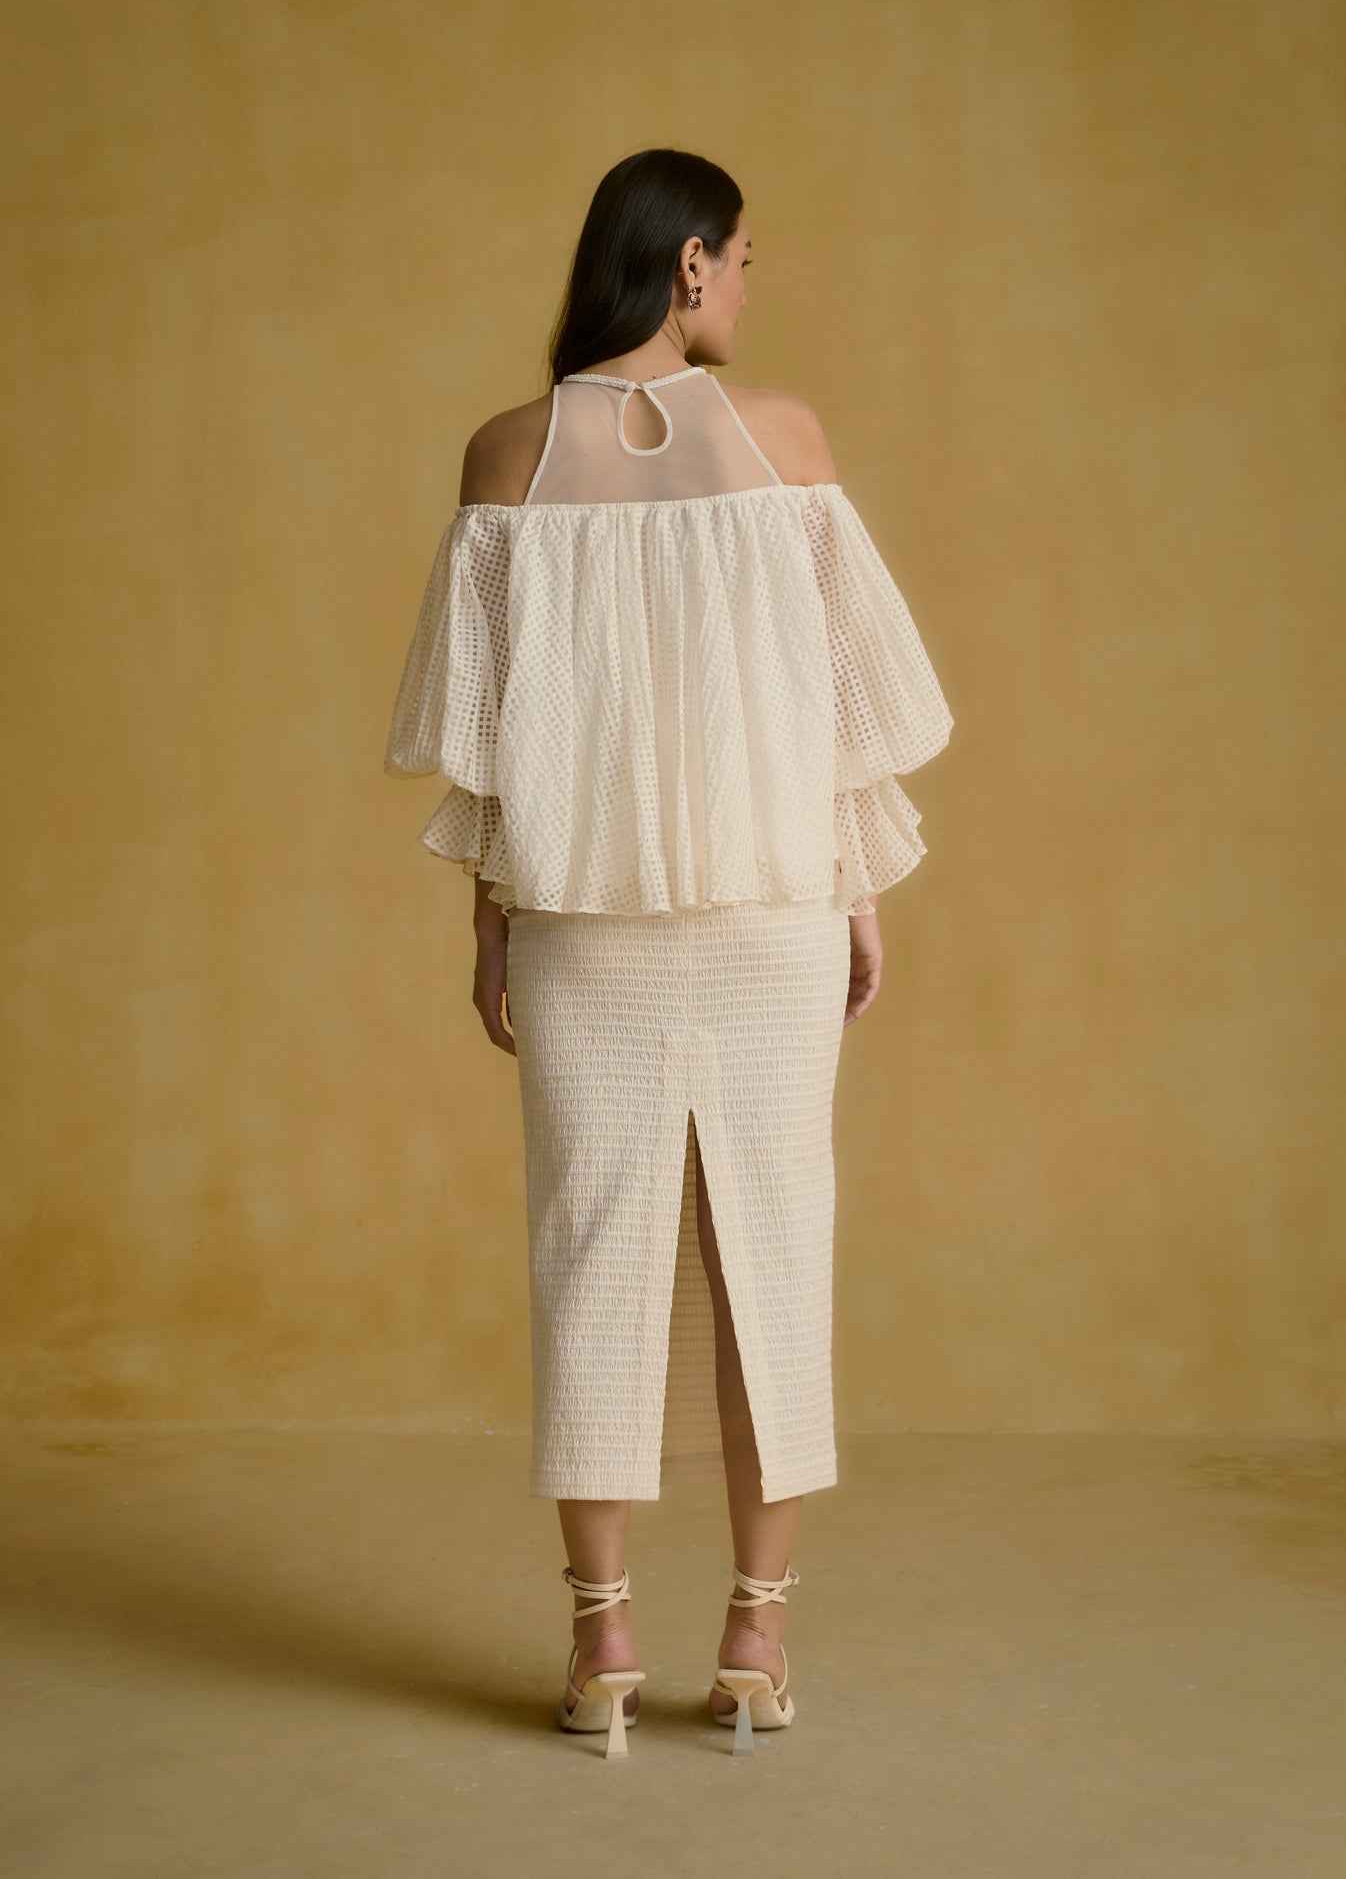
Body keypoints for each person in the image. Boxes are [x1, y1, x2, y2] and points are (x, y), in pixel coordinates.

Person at [383, 148, 954, 1758]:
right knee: (773, 1251)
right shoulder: (783, 441)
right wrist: (855, 888)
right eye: (744, 258)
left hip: (582, 929)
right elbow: (840, 707)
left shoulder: (507, 455)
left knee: (592, 1257)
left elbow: (485, 739)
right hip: (771, 918)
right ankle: (756, 1637)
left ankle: (601, 1640)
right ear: (690, 262)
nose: (749, 285)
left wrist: (490, 922)